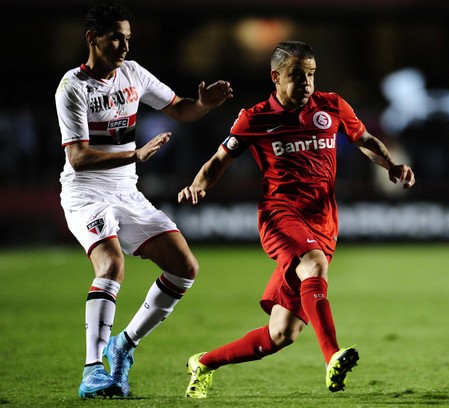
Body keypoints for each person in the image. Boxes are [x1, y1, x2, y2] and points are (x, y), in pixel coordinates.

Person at [178, 40, 415, 398]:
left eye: (311, 75)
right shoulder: (255, 117)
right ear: (276, 76)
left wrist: (391, 165)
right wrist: (198, 185)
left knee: (280, 334)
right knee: (313, 264)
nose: (305, 82)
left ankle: (204, 362)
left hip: (323, 223)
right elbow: (218, 161)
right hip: (279, 215)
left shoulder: (331, 106)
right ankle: (332, 355)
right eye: (296, 75)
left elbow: (363, 138)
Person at [55, 3, 233, 398]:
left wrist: (204, 104)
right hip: (87, 194)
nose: (124, 45)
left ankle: (123, 345)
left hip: (127, 192)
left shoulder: (133, 73)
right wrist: (133, 155)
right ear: (92, 38)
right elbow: (79, 157)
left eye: (128, 38)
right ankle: (92, 370)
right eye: (116, 37)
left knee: (184, 267)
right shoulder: (73, 87)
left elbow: (180, 109)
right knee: (111, 264)